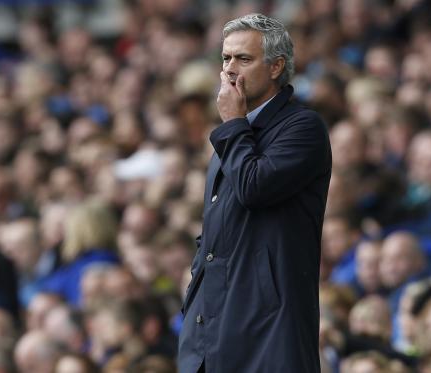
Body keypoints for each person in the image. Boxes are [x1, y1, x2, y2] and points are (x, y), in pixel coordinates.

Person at [178, 14, 332, 372]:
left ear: (277, 66)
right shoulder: (235, 133)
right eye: (226, 58)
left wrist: (232, 123)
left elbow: (254, 187)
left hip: (267, 330)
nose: (231, 69)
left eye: (244, 59)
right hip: (210, 327)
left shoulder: (302, 127)